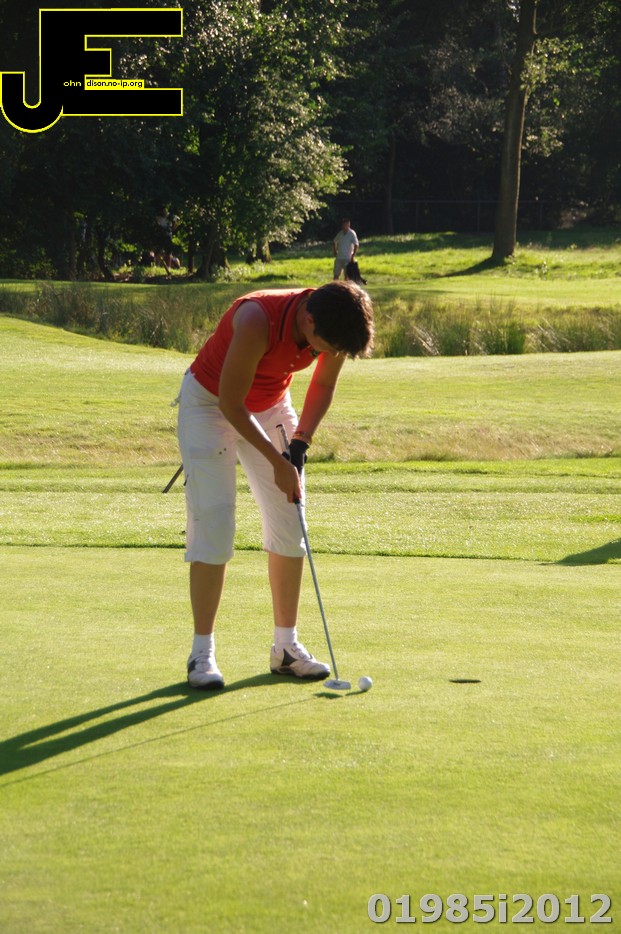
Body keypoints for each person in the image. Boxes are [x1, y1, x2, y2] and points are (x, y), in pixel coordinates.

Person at [176, 281, 374, 689]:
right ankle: (201, 654)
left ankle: (286, 648)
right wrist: (276, 462)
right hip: (211, 404)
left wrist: (300, 443)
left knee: (290, 517)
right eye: (323, 347)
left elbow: (323, 384)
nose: (325, 354)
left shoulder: (337, 321)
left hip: (269, 406)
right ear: (308, 320)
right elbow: (231, 404)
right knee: (215, 520)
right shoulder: (257, 318)